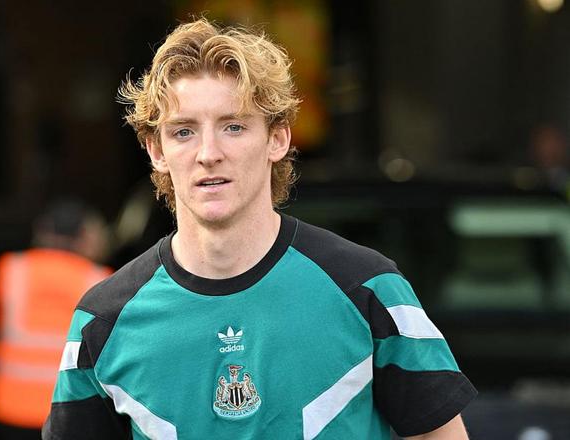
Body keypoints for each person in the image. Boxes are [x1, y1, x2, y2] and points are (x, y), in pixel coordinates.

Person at [43, 18, 477, 439]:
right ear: (157, 151)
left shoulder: (366, 289)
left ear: (278, 139)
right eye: (183, 132)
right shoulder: (104, 320)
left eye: (233, 126)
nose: (208, 153)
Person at [0, 198, 112, 440]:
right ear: (84, 237)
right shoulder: (100, 280)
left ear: (42, 231)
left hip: (7, 413)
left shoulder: (10, 270)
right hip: (69, 414)